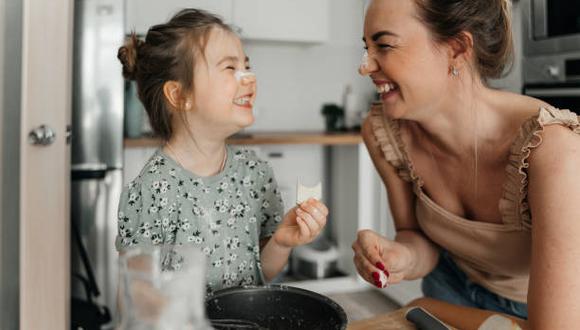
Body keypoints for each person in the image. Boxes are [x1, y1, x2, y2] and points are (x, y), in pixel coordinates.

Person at [352, 0, 580, 328]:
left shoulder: (555, 154)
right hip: (447, 290)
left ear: (457, 48)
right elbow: (414, 236)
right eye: (367, 47)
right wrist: (400, 256)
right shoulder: (383, 132)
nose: (365, 66)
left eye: (384, 45)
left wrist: (422, 306)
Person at [115, 9, 328, 292]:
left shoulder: (255, 173)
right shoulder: (151, 191)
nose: (249, 77)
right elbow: (137, 300)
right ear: (180, 95)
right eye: (230, 68)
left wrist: (280, 242)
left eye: (247, 66)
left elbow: (260, 272)